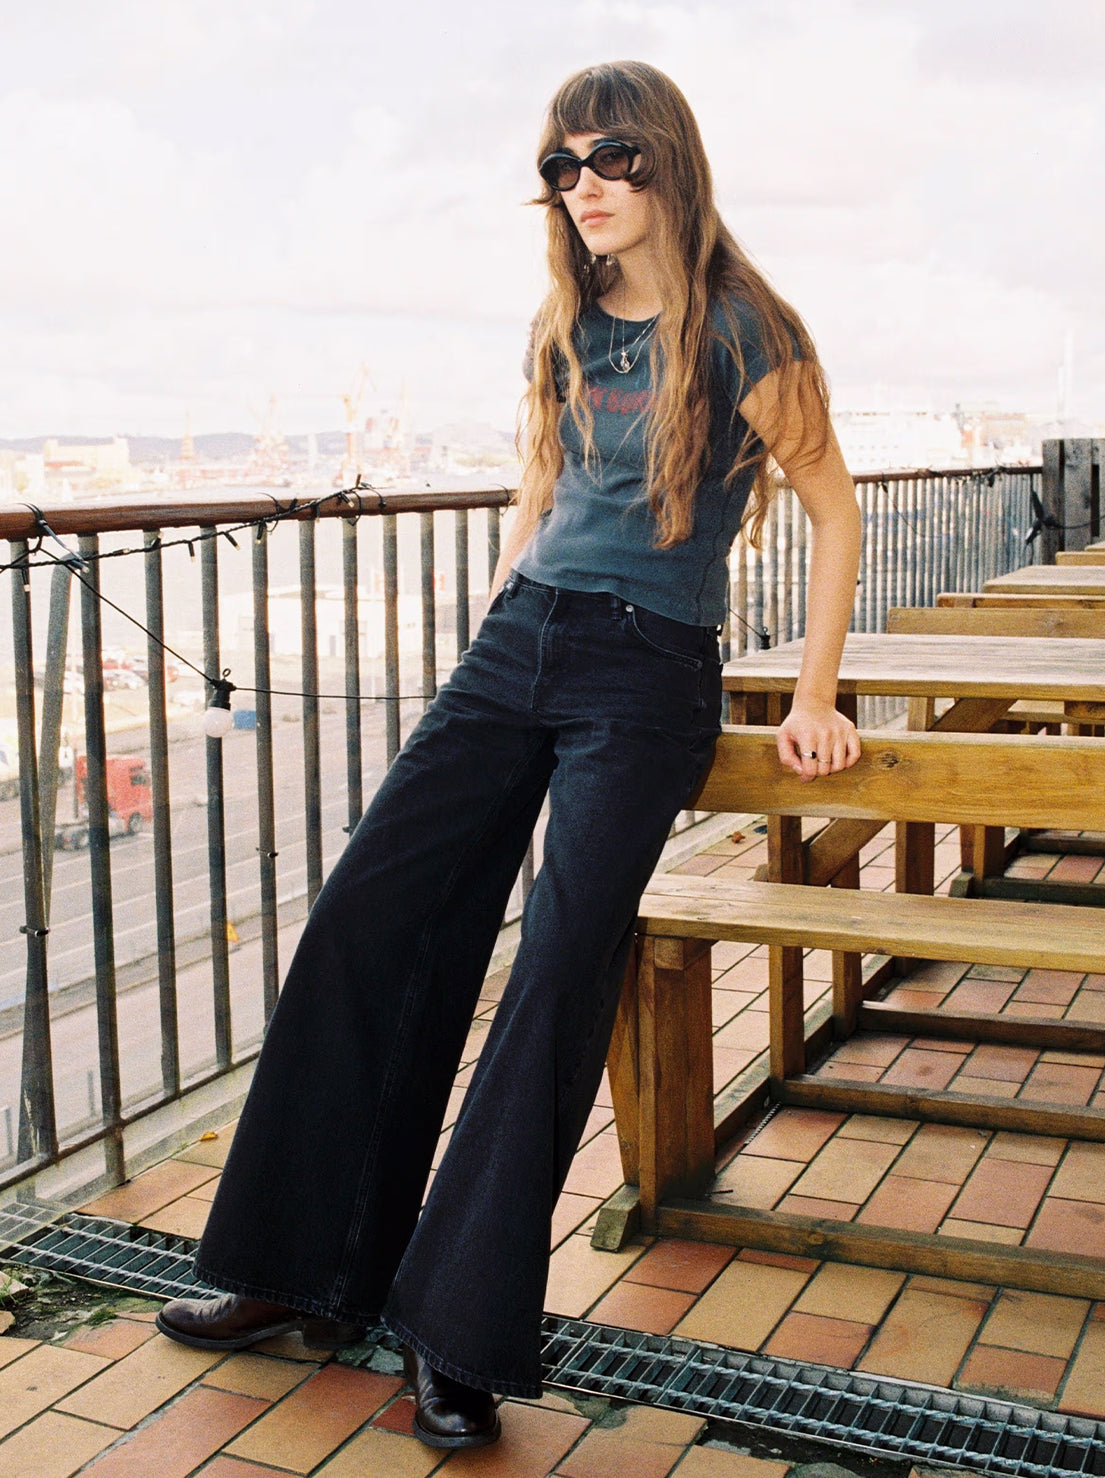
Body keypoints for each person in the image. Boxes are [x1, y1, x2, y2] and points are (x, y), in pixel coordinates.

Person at [156, 59, 862, 1451]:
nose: (583, 185)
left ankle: (456, 1330)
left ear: (666, 161)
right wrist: (496, 619)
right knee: (368, 914)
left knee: (552, 970)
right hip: (519, 644)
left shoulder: (744, 327)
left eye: (610, 157)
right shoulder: (564, 322)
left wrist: (816, 695)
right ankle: (298, 1267)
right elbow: (545, 485)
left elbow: (832, 508)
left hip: (647, 671)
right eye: (560, 165)